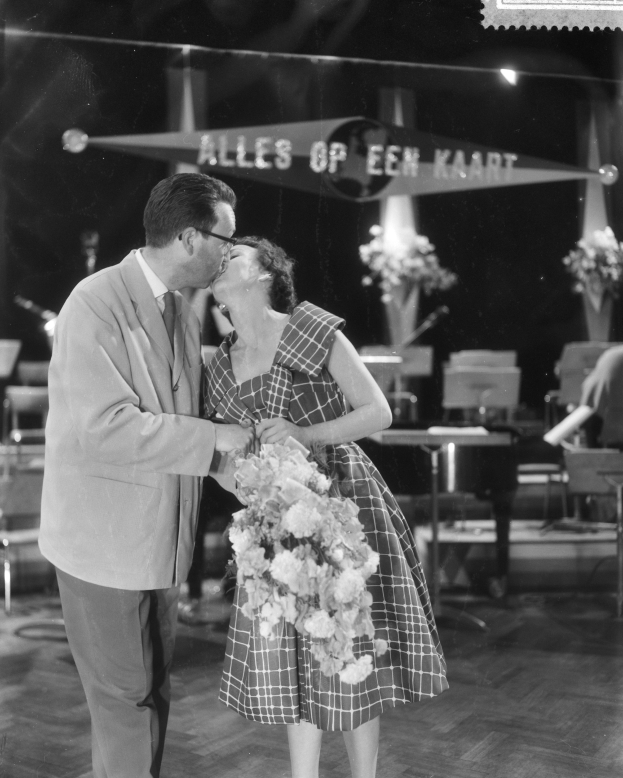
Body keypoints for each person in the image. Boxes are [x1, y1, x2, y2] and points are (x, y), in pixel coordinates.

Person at [204, 237, 448, 778]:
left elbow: (377, 411)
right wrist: (249, 493)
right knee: (296, 654)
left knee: (350, 648)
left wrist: (305, 435)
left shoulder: (311, 329)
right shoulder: (219, 367)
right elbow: (220, 459)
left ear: (267, 273)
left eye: (236, 254)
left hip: (343, 505)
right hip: (276, 520)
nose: (223, 258)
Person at [38, 172, 254, 778]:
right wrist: (215, 440)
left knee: (152, 690)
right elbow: (105, 427)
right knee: (125, 701)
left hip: (158, 544)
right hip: (103, 546)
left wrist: (247, 477)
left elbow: (184, 419)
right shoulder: (94, 300)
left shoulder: (181, 310)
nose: (229, 255)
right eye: (225, 241)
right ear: (189, 238)